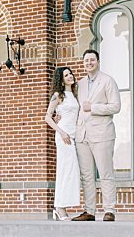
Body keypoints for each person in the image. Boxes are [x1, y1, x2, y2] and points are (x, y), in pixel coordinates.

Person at [73, 48, 120, 222]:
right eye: (86, 60)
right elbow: (78, 107)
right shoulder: (81, 83)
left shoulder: (108, 81)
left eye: (92, 60)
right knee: (86, 175)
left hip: (102, 134)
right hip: (82, 136)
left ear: (98, 61)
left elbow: (116, 106)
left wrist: (93, 107)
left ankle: (109, 210)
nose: (89, 63)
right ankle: (89, 211)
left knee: (105, 173)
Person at [44, 66, 81, 221]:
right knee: (65, 171)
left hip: (74, 135)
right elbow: (47, 117)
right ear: (61, 79)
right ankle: (60, 207)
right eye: (66, 75)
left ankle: (60, 206)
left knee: (71, 172)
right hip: (64, 136)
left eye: (70, 73)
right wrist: (61, 132)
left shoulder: (75, 94)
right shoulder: (58, 95)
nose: (70, 76)